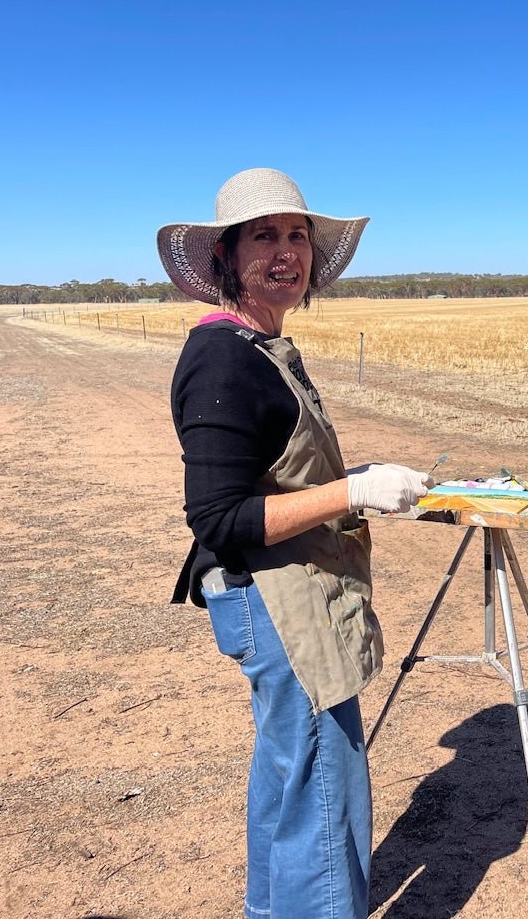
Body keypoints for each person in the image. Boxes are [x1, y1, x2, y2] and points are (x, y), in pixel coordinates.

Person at [158, 167, 431, 919]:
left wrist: (358, 479)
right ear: (224, 257)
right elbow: (219, 519)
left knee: (291, 782)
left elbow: (273, 478)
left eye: (297, 236)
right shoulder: (222, 356)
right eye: (263, 236)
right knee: (319, 797)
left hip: (295, 599)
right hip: (279, 607)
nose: (286, 252)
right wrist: (352, 492)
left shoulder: (265, 346)